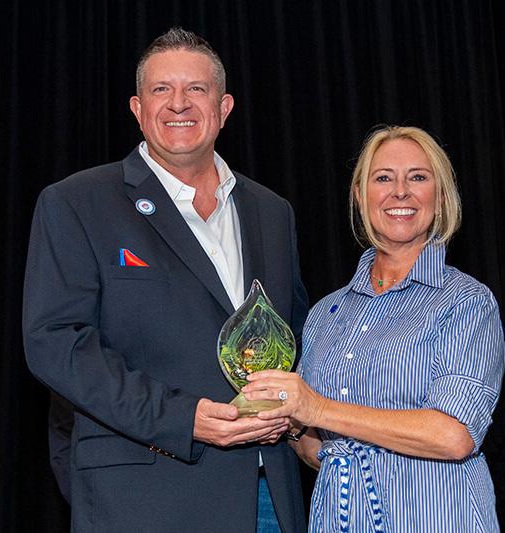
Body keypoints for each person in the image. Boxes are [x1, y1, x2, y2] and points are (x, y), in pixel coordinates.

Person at [23, 27, 309, 533]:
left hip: (268, 495)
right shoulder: (77, 203)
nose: (179, 104)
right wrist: (181, 420)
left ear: (224, 107)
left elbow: (297, 335)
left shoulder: (272, 212)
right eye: (161, 89)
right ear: (137, 107)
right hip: (145, 499)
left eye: (196, 89)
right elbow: (55, 343)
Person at [242, 125, 505, 532]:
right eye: (383, 178)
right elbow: (321, 449)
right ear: (360, 195)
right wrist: (289, 427)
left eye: (418, 177)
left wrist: (317, 408)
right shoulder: (327, 313)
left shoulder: (466, 302)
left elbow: (454, 436)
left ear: (440, 196)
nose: (400, 191)